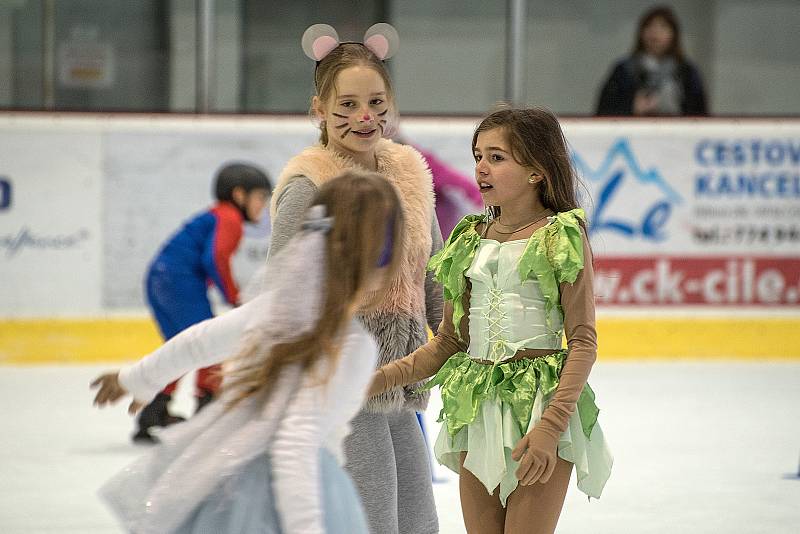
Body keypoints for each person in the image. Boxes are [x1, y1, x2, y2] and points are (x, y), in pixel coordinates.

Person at [90, 170, 404, 534]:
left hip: (227, 479)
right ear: (385, 255)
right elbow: (294, 443)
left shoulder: (275, 309)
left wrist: (137, 378)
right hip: (294, 494)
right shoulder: (351, 346)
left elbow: (199, 341)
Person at [367, 107, 614, 534]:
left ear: (537, 170)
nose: (481, 168)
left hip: (541, 407)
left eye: (497, 158)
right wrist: (374, 380)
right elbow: (448, 344)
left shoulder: (560, 235)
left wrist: (550, 429)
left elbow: (583, 342)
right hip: (475, 406)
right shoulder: (468, 237)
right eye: (478, 156)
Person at [265, 23, 441, 533]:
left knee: (418, 519)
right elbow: (282, 292)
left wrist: (458, 343)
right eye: (346, 105)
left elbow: (434, 276)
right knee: (374, 519)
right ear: (318, 109)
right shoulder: (312, 183)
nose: (364, 117)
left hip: (399, 380)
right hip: (338, 379)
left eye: (376, 103)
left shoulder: (409, 173)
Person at [133, 162, 271, 443]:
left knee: (182, 347)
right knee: (207, 344)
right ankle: (206, 412)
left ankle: (154, 412)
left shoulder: (216, 215)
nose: (263, 207)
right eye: (260, 198)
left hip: (160, 279)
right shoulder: (229, 218)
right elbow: (215, 258)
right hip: (179, 282)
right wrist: (234, 297)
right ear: (239, 195)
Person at [596, 5, 707, 116]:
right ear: (641, 33)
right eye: (649, 26)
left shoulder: (686, 72)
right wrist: (631, 107)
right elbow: (604, 110)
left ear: (674, 34)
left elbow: (700, 113)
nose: (655, 33)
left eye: (663, 27)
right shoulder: (624, 70)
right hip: (633, 130)